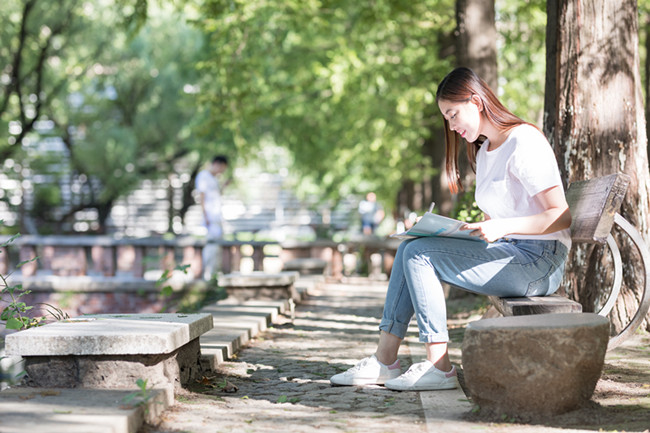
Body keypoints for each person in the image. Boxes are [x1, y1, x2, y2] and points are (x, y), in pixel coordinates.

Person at [330, 67, 572, 391]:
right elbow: (496, 222)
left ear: (476, 101)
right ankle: (384, 361)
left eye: (453, 114)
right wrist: (452, 230)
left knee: (418, 255)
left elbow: (561, 216)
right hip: (512, 254)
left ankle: (438, 365)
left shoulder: (523, 141)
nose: (451, 124)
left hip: (540, 261)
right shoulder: (485, 151)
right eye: (446, 117)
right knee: (409, 247)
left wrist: (503, 227)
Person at [195, 155, 230, 280]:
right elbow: (202, 197)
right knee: (211, 246)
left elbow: (216, 196)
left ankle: (214, 274)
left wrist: (224, 186)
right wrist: (205, 216)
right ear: (217, 164)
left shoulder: (214, 179)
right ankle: (208, 275)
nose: (222, 171)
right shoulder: (204, 176)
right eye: (222, 168)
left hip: (217, 216)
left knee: (217, 248)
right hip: (210, 217)